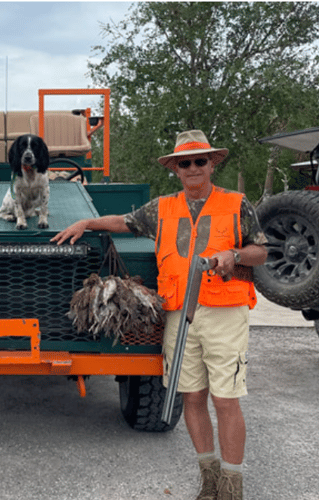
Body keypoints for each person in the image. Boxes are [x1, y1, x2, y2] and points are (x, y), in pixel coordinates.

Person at [52, 130, 268, 500]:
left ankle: (232, 488)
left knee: (226, 399)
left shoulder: (237, 203)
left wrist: (235, 255)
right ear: (177, 170)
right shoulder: (161, 208)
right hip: (178, 315)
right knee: (193, 399)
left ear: (212, 164)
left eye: (201, 160)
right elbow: (125, 222)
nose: (194, 168)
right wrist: (87, 224)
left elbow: (261, 251)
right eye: (185, 163)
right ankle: (210, 481)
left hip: (223, 313)